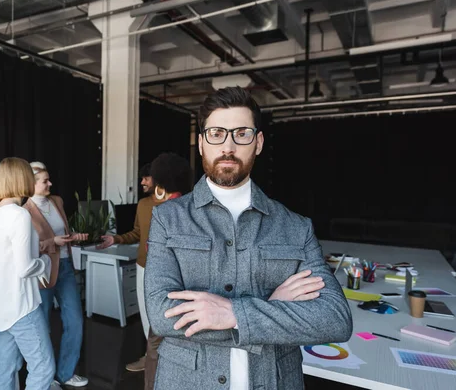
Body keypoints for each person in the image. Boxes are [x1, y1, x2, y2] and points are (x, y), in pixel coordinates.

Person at [144, 87, 353, 390]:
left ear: (258, 143)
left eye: (241, 133)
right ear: (202, 143)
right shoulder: (168, 219)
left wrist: (233, 313)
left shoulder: (296, 227)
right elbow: (163, 316)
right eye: (216, 133)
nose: (228, 146)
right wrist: (271, 306)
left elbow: (334, 318)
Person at [0, 157, 55, 390]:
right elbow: (25, 267)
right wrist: (45, 261)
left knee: (5, 368)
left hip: (0, 307)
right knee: (43, 368)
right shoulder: (19, 214)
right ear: (21, 178)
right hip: (21, 306)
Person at [24, 161, 89, 388]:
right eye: (45, 181)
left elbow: (64, 231)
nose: (50, 183)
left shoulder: (57, 201)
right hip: (42, 272)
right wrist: (54, 242)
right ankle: (46, 377)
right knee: (43, 327)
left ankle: (65, 373)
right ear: (31, 183)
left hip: (65, 268)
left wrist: (73, 237)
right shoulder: (24, 212)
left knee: (75, 320)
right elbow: (29, 249)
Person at [97, 162, 157, 372]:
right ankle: (150, 358)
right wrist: (116, 239)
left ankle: (163, 360)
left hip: (167, 271)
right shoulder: (142, 204)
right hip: (143, 267)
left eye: (145, 178)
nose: (142, 182)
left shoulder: (176, 203)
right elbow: (136, 233)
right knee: (146, 316)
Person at [142, 153, 193, 390]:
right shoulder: (194, 207)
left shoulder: (164, 212)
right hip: (194, 290)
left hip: (171, 293)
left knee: (155, 344)